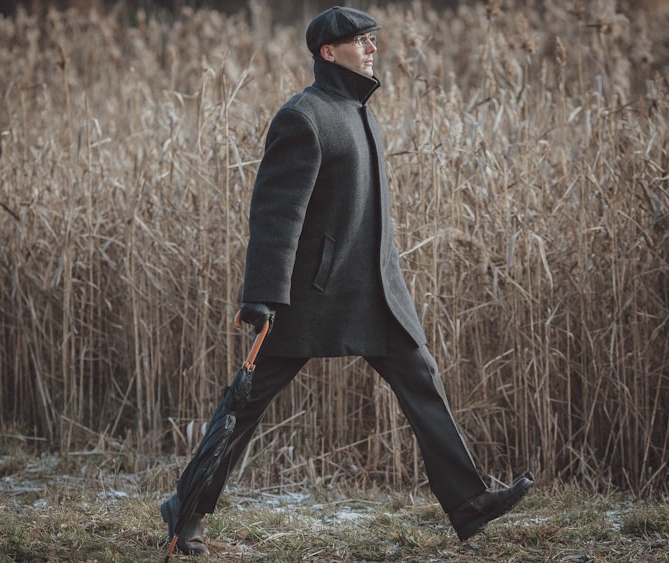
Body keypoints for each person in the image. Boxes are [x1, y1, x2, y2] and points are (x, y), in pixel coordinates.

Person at [161, 6, 533, 555]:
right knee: (246, 404)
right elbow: (275, 214)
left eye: (372, 39)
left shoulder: (360, 111)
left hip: (376, 292)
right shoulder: (304, 116)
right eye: (359, 41)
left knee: (421, 379)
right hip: (309, 297)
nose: (371, 48)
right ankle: (186, 508)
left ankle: (469, 501)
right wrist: (262, 296)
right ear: (327, 52)